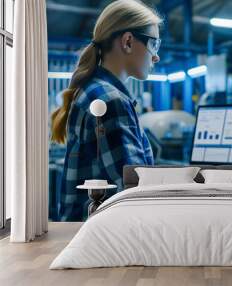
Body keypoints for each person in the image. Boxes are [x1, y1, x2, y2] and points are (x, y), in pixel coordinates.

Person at [51, 0, 162, 221]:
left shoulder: (92, 91)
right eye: (154, 44)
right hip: (105, 240)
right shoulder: (111, 101)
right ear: (128, 42)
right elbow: (134, 192)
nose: (156, 56)